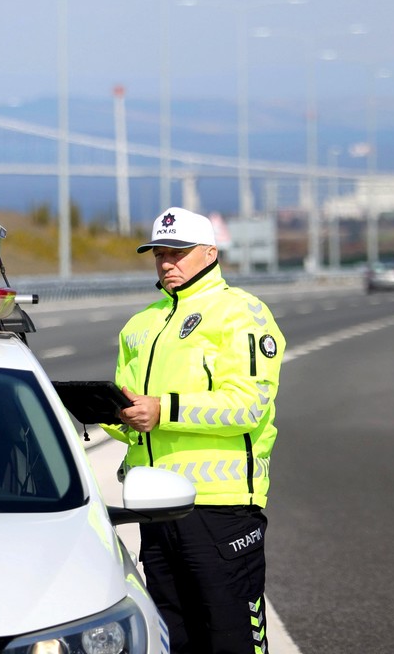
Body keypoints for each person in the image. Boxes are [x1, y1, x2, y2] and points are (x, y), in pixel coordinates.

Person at [109, 207, 285, 654]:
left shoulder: (241, 313)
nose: (167, 262)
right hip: (155, 508)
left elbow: (248, 405)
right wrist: (113, 415)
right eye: (159, 254)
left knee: (231, 641)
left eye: (178, 252)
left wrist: (161, 410)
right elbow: (135, 423)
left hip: (219, 507)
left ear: (210, 252)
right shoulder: (140, 325)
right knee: (174, 639)